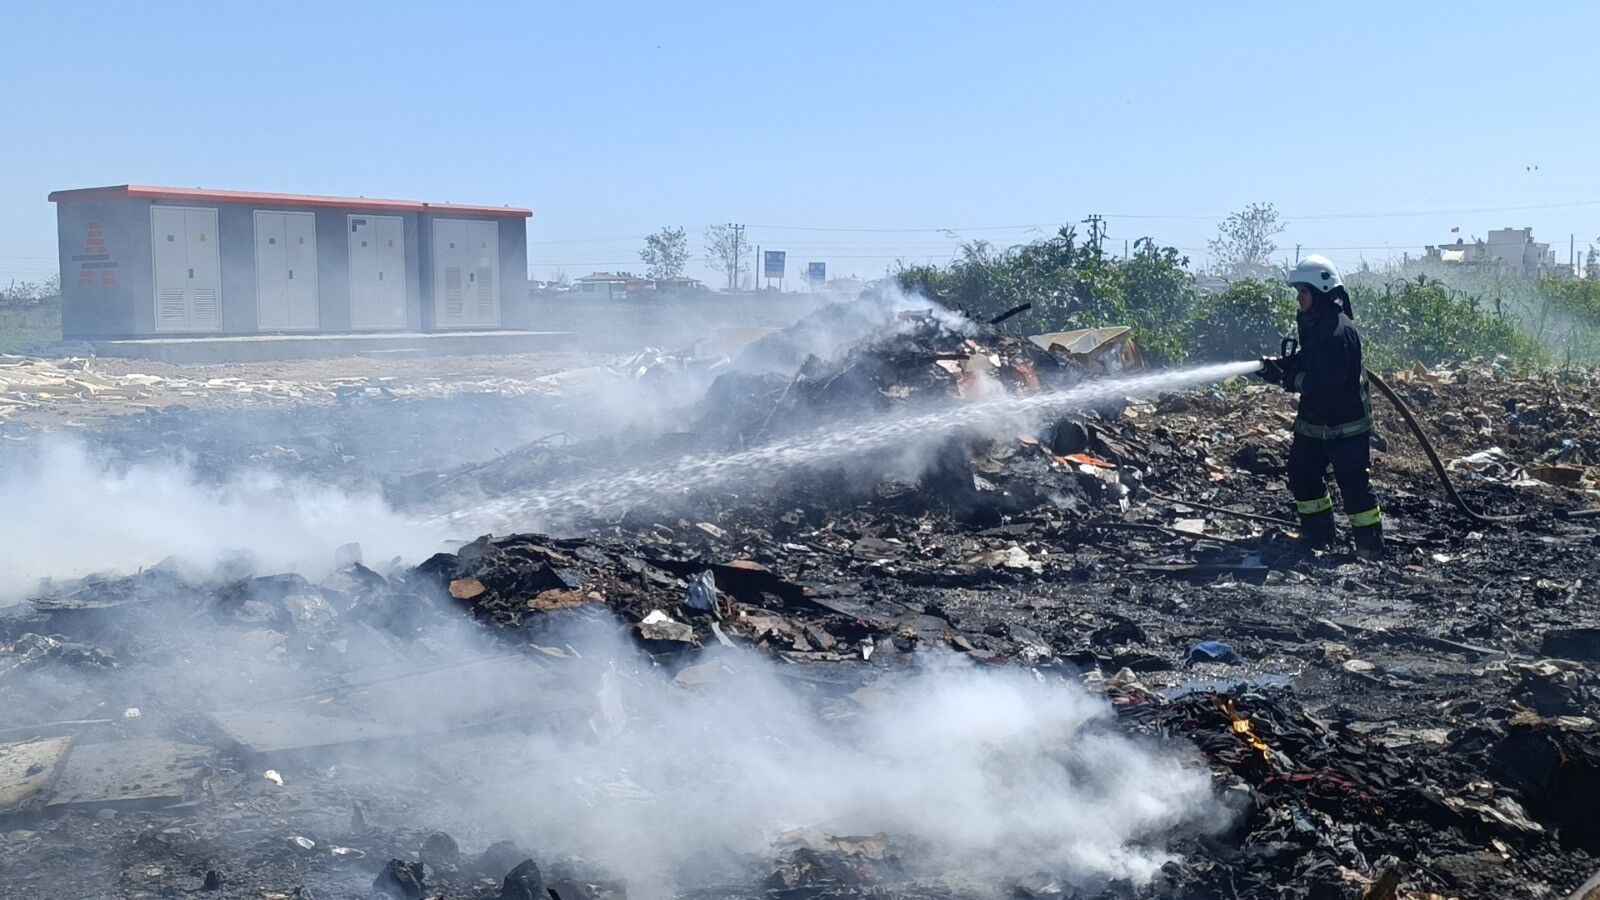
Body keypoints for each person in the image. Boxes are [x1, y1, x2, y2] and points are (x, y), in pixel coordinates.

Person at [1256, 254, 1384, 559]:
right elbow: (1311, 358)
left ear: (1321, 292)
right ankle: (1318, 537)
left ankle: (1369, 550)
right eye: (1299, 292)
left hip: (1346, 425)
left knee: (1354, 485)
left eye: (1303, 292)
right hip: (1315, 422)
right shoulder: (1313, 322)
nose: (1299, 299)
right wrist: (1280, 366)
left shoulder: (1339, 332)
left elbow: (1326, 381)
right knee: (1303, 474)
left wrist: (1289, 378)